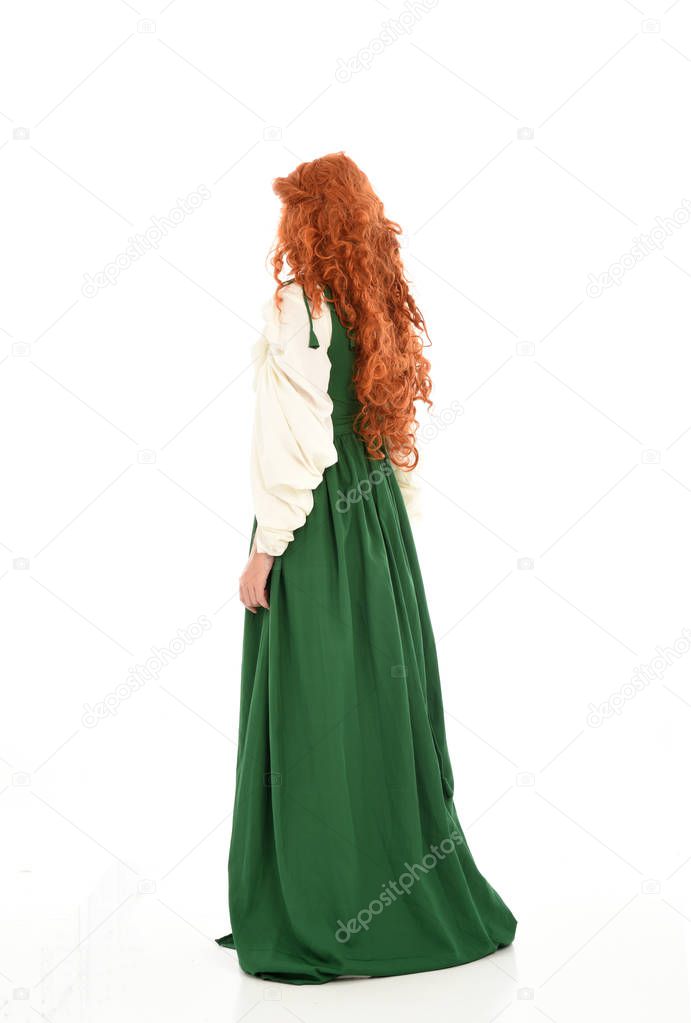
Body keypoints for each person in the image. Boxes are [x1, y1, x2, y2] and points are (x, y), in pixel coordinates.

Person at [217, 152, 517, 984]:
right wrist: (382, 530)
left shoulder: (302, 305)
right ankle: (381, 887)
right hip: (374, 518)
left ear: (307, 218)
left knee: (312, 701)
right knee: (372, 696)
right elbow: (376, 432)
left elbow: (297, 438)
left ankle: (321, 901)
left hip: (317, 521)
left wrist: (266, 544)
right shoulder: (369, 303)